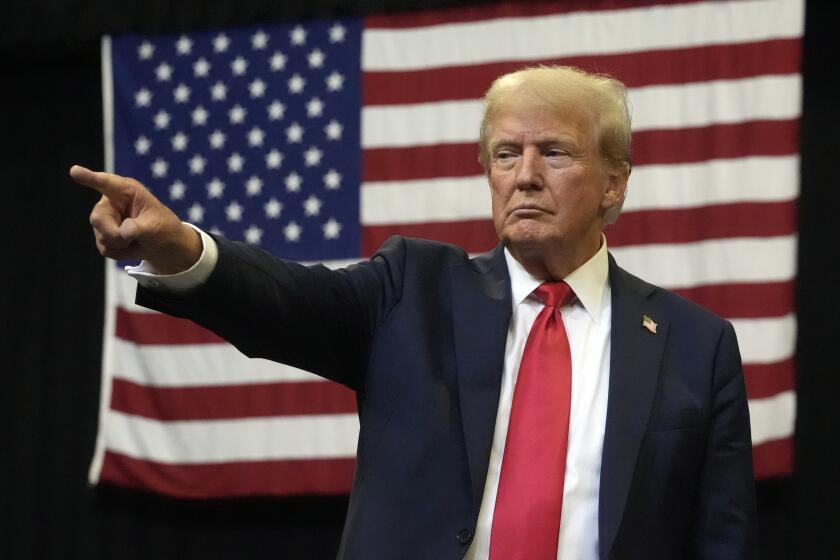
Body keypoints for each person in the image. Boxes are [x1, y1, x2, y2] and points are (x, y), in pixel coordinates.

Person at [73, 66, 756, 559]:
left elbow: (721, 540)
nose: (524, 176)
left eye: (554, 153)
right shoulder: (414, 290)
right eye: (505, 155)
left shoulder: (696, 345)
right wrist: (180, 247)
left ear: (614, 182)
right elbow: (282, 302)